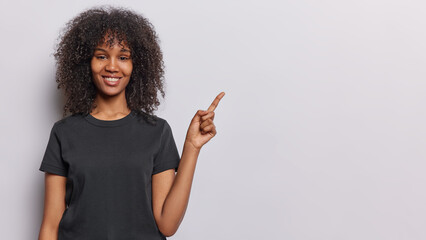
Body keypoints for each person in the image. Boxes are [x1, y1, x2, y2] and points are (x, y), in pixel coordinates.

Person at [37, 5, 225, 240]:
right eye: (102, 56)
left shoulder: (157, 132)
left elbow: (167, 225)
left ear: (137, 65)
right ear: (87, 62)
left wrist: (192, 148)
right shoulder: (64, 133)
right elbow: (50, 226)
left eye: (123, 57)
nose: (112, 66)